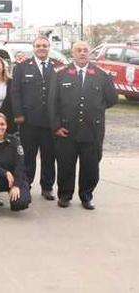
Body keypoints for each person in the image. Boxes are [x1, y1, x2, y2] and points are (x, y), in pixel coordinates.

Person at [49, 41, 118, 210]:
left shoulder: (101, 75)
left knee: (90, 167)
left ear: (89, 53)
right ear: (72, 53)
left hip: (92, 131)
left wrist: (95, 109)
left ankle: (86, 196)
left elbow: (112, 99)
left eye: (85, 50)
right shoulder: (60, 74)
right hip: (66, 130)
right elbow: (52, 103)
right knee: (65, 165)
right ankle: (65, 195)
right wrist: (56, 126)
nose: (82, 53)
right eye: (78, 50)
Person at [10, 35, 61, 201]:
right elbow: (15, 92)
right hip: (28, 121)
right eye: (38, 45)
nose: (41, 48)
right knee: (28, 157)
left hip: (50, 122)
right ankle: (26, 185)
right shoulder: (22, 67)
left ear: (49, 47)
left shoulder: (57, 67)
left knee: (49, 156)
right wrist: (18, 114)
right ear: (33, 48)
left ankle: (47, 187)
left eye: (45, 46)